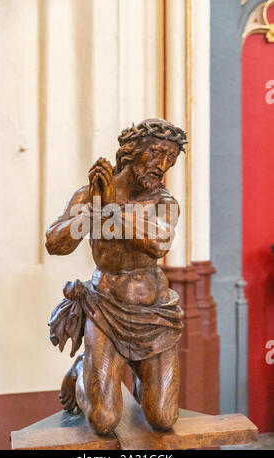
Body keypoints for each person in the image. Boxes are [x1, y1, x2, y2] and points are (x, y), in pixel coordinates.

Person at [45, 118, 187, 435]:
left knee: (163, 418)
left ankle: (141, 374)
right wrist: (92, 209)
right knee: (104, 420)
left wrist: (111, 208)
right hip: (105, 310)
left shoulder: (163, 202)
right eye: (157, 153)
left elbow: (157, 243)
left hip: (155, 317)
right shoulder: (91, 196)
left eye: (171, 159)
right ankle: (83, 370)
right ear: (130, 153)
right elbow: (56, 243)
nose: (163, 166)